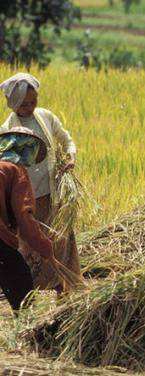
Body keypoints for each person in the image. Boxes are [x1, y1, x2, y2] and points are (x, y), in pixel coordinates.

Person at [0, 73, 79, 291]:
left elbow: (66, 140)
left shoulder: (46, 117)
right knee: (30, 246)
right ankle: (29, 294)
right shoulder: (7, 132)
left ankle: (64, 291)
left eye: (33, 101)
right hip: (26, 200)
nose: (30, 107)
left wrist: (71, 156)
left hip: (52, 195)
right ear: (13, 103)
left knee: (62, 243)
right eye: (24, 104)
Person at [0, 127, 54, 311]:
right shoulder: (16, 171)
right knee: (23, 291)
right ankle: (32, 335)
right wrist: (44, 247)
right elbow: (24, 217)